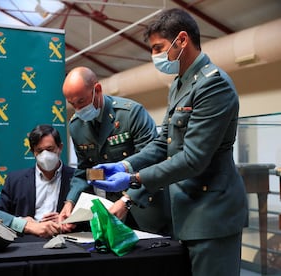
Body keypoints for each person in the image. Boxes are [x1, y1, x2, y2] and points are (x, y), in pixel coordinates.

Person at [89, 8, 248, 276]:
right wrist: (126, 165)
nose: (155, 56)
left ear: (182, 40)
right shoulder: (179, 85)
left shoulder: (213, 85)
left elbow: (193, 159)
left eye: (158, 48)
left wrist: (134, 179)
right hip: (186, 212)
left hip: (212, 215)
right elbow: (163, 142)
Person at [59, 66, 171, 235]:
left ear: (97, 89)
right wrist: (70, 201)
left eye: (81, 101)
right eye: (72, 104)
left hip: (147, 207)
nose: (78, 109)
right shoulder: (76, 127)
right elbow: (85, 171)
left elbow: (152, 160)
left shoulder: (131, 113)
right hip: (113, 212)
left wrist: (127, 200)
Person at [0, 124, 74, 223]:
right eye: (39, 151)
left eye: (50, 149)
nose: (45, 155)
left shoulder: (77, 179)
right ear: (33, 152)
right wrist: (22, 223)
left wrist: (66, 220)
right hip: (28, 237)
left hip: (65, 236)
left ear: (60, 147)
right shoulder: (14, 180)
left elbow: (89, 217)